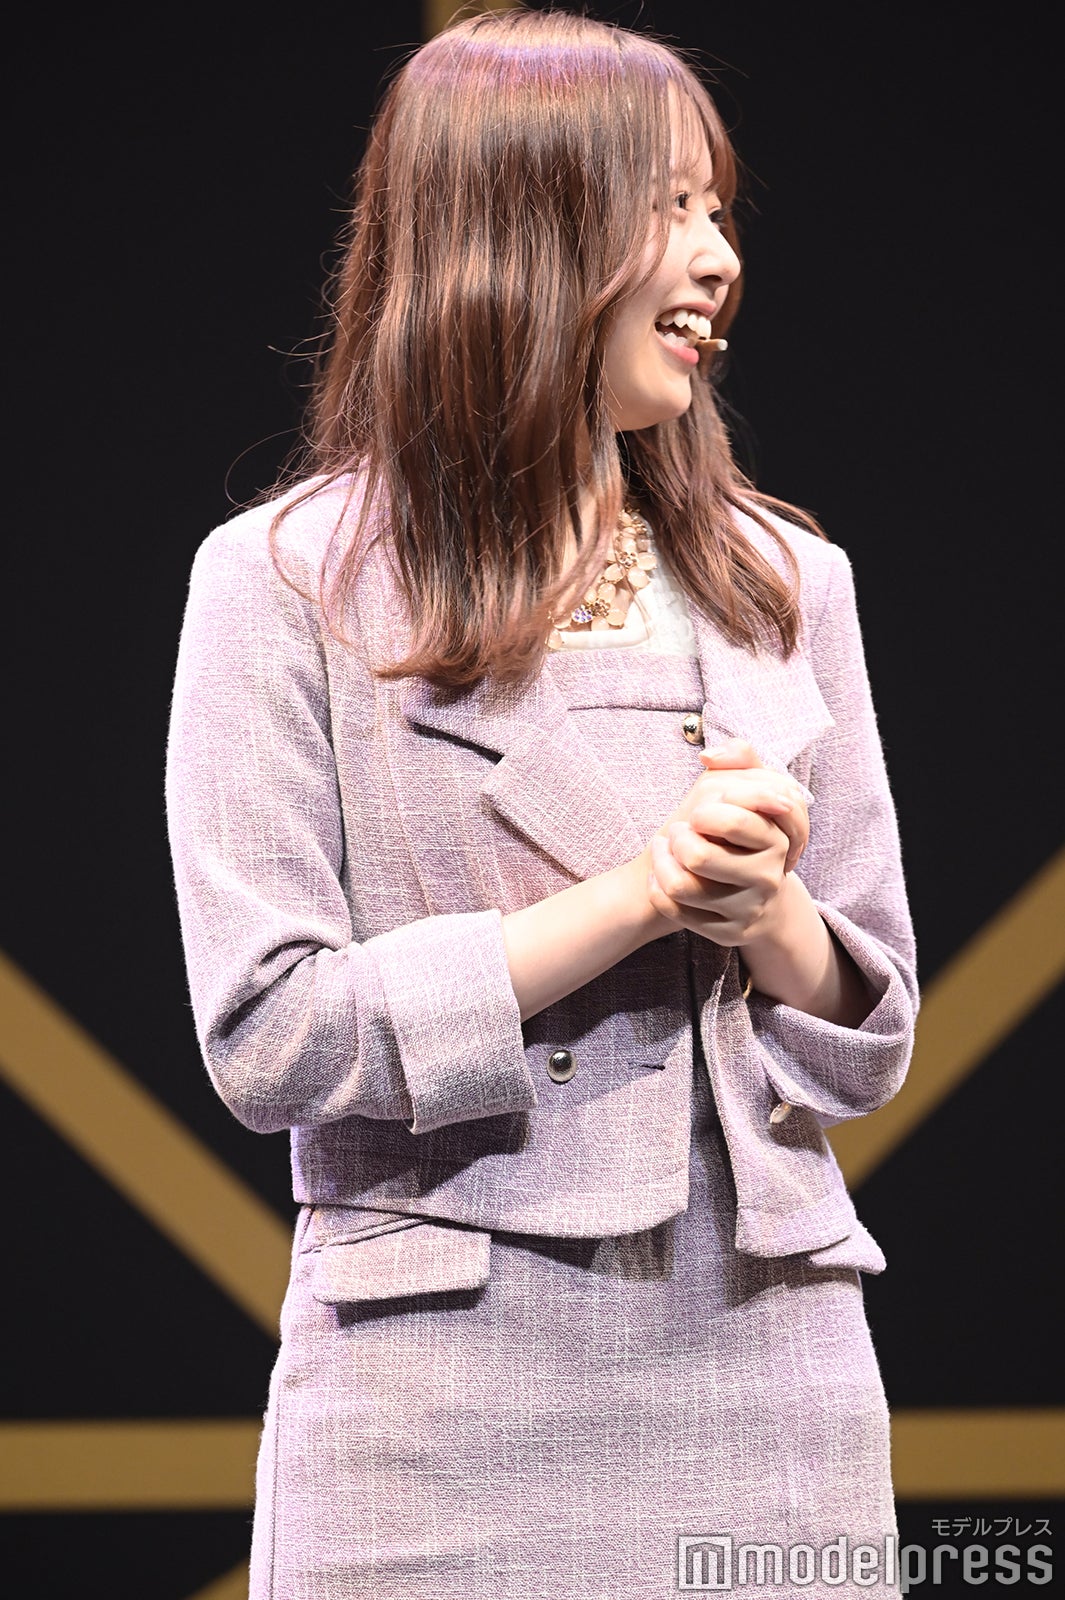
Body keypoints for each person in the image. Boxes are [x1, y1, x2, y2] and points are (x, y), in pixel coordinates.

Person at [165, 8, 918, 1596]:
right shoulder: (287, 582)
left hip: (769, 1371)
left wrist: (767, 914)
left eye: (717, 210)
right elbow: (271, 1037)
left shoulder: (787, 583)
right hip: (437, 1398)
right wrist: (639, 897)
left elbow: (871, 1026)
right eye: (668, 207)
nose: (717, 259)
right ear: (521, 228)